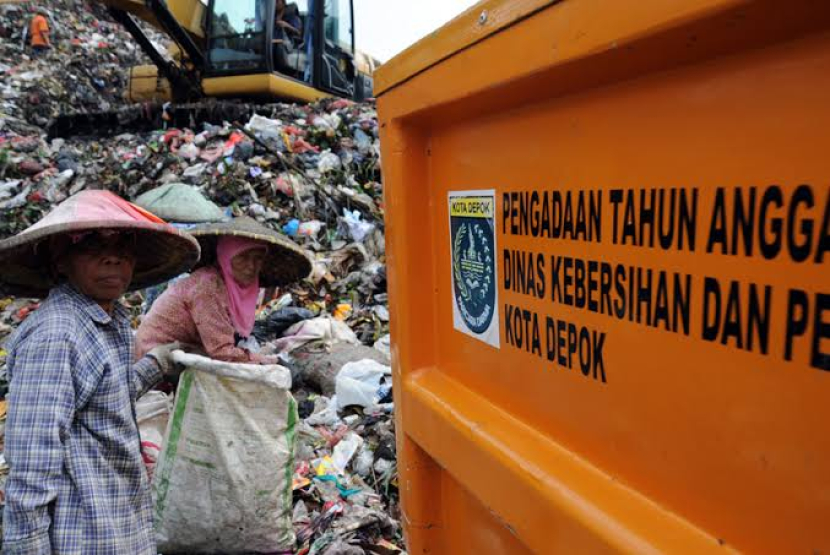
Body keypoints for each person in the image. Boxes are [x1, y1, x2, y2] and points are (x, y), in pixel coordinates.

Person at [0, 190, 201, 554]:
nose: (113, 258)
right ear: (60, 261)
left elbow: (109, 398)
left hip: (118, 520)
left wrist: (158, 362)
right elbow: (32, 460)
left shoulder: (106, 320)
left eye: (124, 246)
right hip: (83, 531)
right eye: (91, 245)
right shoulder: (57, 334)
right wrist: (27, 546)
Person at [137, 216, 312, 364]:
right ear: (226, 256)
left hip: (180, 353)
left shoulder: (228, 285)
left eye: (257, 258)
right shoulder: (207, 285)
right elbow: (221, 352)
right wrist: (267, 361)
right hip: (153, 361)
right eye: (243, 257)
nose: (251, 266)